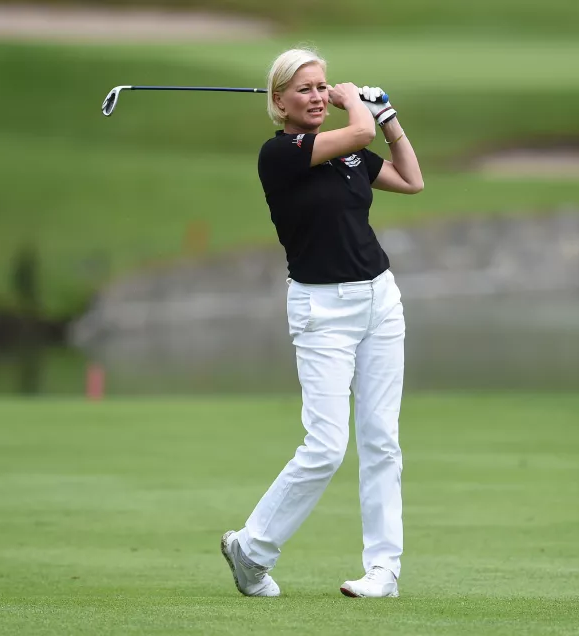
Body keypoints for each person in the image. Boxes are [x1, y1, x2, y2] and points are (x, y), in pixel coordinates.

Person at [220, 47, 424, 599]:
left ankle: (384, 571)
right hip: (322, 311)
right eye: (305, 89)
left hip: (380, 301)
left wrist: (389, 119)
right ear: (279, 101)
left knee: (382, 442)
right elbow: (356, 134)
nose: (317, 96)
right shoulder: (280, 154)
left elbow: (411, 181)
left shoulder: (348, 157)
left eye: (322, 87)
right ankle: (251, 549)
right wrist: (358, 106)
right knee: (328, 445)